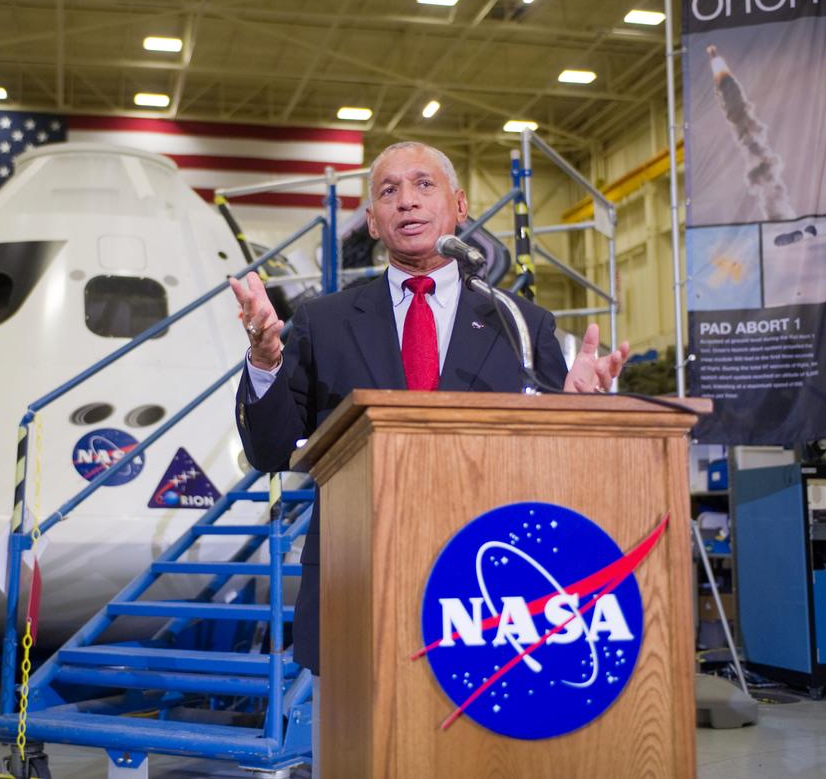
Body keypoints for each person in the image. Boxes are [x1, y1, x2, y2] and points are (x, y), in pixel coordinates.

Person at [228, 141, 627, 732]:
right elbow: (270, 451)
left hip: (490, 589)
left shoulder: (517, 322)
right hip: (358, 578)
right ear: (372, 221)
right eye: (388, 191)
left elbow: (555, 463)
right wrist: (263, 360)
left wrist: (578, 410)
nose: (406, 201)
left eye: (424, 185)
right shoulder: (324, 321)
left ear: (459, 206)